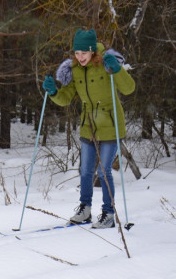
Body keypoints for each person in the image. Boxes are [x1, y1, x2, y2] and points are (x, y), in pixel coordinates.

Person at [42, 29, 135, 229]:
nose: (80, 57)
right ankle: (85, 210)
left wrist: (117, 70)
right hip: (89, 126)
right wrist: (53, 92)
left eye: (84, 53)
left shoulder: (108, 63)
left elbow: (128, 88)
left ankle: (108, 214)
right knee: (85, 170)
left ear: (93, 51)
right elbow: (66, 97)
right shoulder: (75, 70)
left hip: (110, 125)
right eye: (77, 53)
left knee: (103, 171)